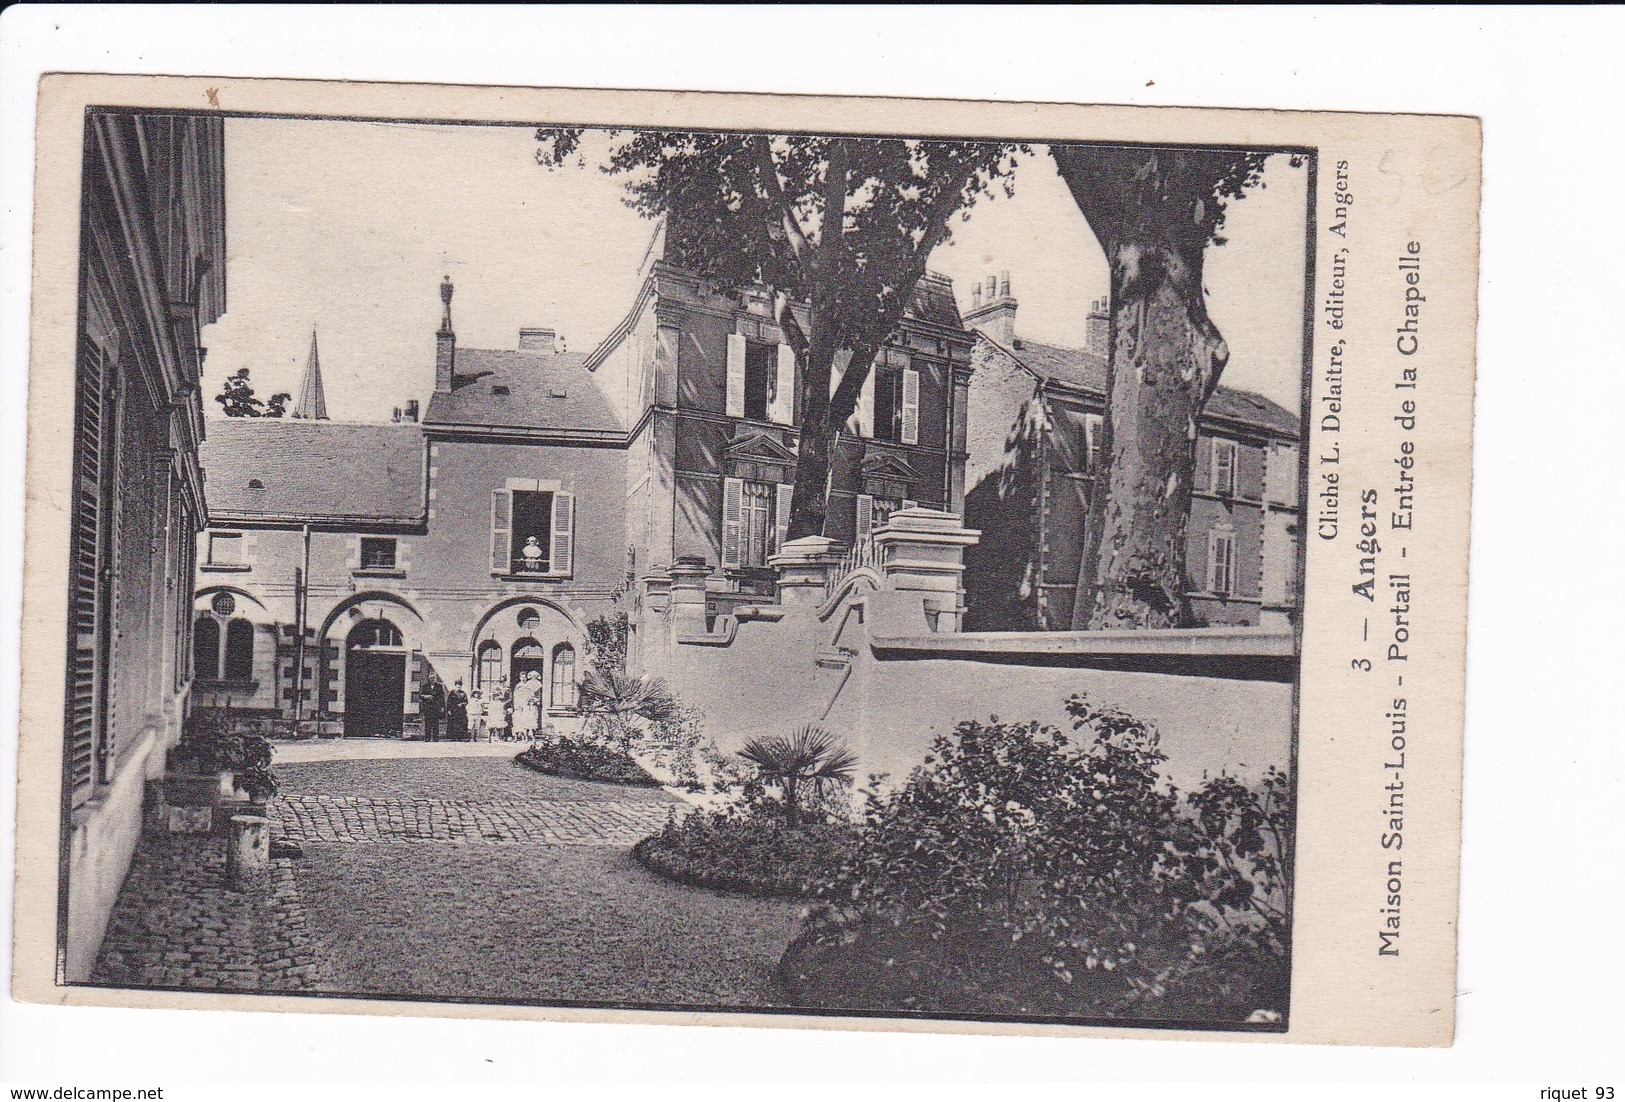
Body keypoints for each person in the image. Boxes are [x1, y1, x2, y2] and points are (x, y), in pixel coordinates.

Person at [511, 671, 540, 740]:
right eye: (522, 677)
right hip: (520, 704)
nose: (523, 679)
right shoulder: (518, 686)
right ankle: (519, 735)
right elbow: (515, 696)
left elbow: (531, 694)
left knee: (527, 719)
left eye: (524, 677)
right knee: (519, 720)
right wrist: (516, 705)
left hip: (527, 704)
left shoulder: (529, 685)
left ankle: (527, 736)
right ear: (520, 678)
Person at [420, 675, 445, 742]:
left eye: (434, 678)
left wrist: (442, 707)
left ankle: (435, 738)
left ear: (435, 679)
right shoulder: (425, 686)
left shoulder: (439, 686)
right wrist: (426, 696)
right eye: (431, 678)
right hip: (427, 707)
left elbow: (442, 697)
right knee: (427, 723)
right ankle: (427, 738)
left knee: (435, 723)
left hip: (436, 707)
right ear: (429, 679)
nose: (432, 679)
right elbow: (421, 695)